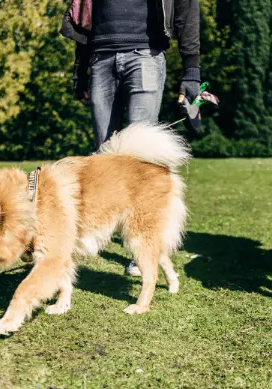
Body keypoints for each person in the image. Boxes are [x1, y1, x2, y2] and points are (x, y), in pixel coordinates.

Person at [60, 0, 200, 276]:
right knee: (102, 159)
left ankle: (145, 250)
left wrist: (192, 71)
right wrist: (80, 70)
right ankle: (99, 235)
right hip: (101, 58)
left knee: (142, 160)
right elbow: (85, 16)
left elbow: (186, 10)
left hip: (145, 54)